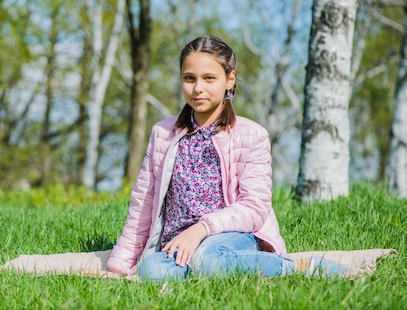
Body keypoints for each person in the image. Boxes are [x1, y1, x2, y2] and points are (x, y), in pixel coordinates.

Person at [106, 36, 346, 282]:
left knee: (209, 261)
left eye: (209, 78)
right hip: (177, 243)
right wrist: (120, 263)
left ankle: (297, 266)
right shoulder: (162, 133)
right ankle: (211, 271)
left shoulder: (252, 135)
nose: (198, 88)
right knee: (152, 271)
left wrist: (200, 230)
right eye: (189, 78)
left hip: (233, 236)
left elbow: (254, 207)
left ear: (229, 80)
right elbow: (143, 202)